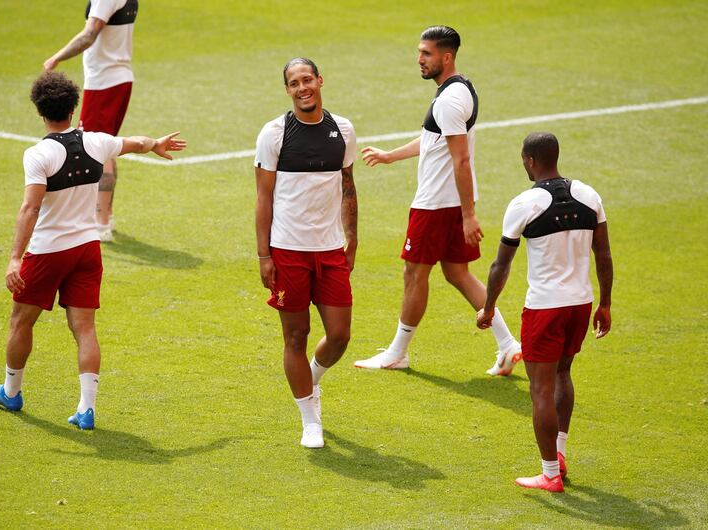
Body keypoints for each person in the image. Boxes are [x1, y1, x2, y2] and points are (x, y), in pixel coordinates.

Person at [0, 72, 186, 429]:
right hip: (87, 250)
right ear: (74, 108)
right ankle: (86, 408)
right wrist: (155, 143)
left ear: (40, 111)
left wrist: (15, 258)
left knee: (20, 321)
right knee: (85, 329)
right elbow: (133, 142)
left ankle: (12, 392)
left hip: (47, 253)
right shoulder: (98, 143)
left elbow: (30, 208)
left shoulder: (38, 155)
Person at [354, 25, 521, 375]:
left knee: (414, 273)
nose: (419, 59)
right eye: (419, 52)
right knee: (458, 273)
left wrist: (469, 215)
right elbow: (435, 141)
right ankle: (507, 345)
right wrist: (390, 156)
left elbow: (461, 160)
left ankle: (397, 353)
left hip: (436, 205)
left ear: (446, 57)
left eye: (426, 54)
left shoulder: (448, 100)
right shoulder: (458, 90)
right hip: (449, 203)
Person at [476, 132, 613, 492]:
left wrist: (488, 308)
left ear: (530, 160)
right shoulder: (590, 195)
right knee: (563, 375)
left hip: (545, 308)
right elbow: (604, 256)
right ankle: (561, 454)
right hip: (580, 305)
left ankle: (550, 472)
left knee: (540, 389)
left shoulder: (524, 204)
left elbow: (499, 266)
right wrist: (606, 303)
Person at [255, 58, 358, 448]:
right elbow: (263, 197)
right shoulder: (275, 133)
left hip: (331, 249)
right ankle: (309, 418)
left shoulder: (342, 129)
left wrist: (353, 236)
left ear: (320, 80)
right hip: (288, 252)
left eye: (307, 80)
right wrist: (263, 255)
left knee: (340, 335)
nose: (302, 88)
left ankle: (311, 378)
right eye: (294, 83)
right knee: (296, 335)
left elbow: (348, 185)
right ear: (287, 90)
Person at [44, 0, 139, 242]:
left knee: (98, 148)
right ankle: (106, 214)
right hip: (119, 79)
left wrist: (56, 58)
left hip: (103, 83)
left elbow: (89, 35)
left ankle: (101, 223)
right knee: (107, 146)